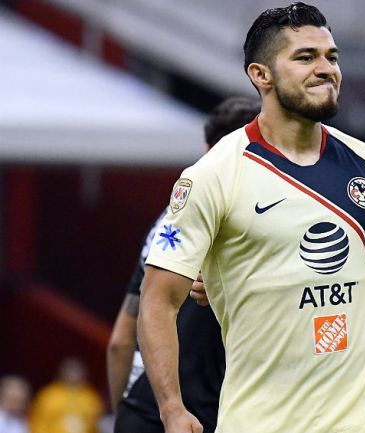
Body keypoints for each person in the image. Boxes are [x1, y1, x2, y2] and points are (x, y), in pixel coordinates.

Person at [138, 3, 365, 433]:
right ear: (260, 75)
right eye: (305, 57)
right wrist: (172, 409)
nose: (326, 69)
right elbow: (157, 301)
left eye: (331, 57)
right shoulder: (212, 175)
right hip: (262, 422)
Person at [106, 96, 261, 433]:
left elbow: (121, 339)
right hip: (223, 416)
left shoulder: (168, 220)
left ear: (207, 149)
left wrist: (126, 413)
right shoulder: (277, 218)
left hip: (150, 411)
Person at [28, 357, 103, 433]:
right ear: (62, 372)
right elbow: (39, 422)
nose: (73, 374)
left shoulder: (91, 396)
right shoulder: (48, 395)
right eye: (70, 371)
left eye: (76, 371)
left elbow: (96, 424)